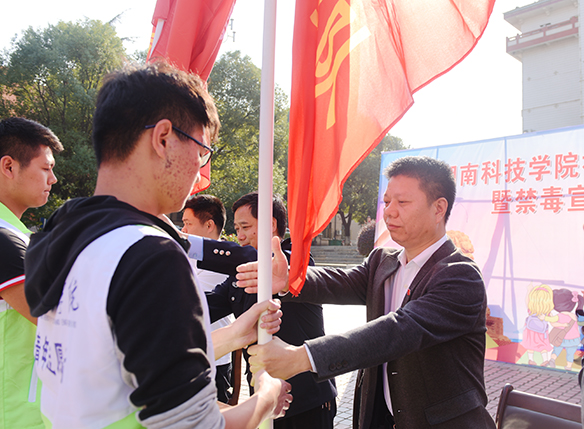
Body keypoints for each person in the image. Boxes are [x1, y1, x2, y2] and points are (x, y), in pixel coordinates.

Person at [24, 63, 291, 429]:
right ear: (163, 138)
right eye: (201, 151)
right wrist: (266, 395)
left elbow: (112, 361)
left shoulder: (69, 234)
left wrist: (235, 334)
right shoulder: (151, 256)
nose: (199, 171)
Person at [237, 156, 496, 429]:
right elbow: (340, 281)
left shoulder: (460, 276)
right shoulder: (383, 261)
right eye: (387, 202)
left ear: (438, 208)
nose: (390, 212)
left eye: (402, 202)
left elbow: (398, 331)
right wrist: (290, 279)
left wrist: (302, 357)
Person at [197, 192, 337, 429]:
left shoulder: (296, 260)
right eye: (237, 228)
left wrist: (189, 245)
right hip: (266, 400)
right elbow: (206, 307)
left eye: (245, 227)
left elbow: (261, 259)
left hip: (306, 398)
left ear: (271, 224)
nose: (240, 236)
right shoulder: (241, 274)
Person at [0, 117, 63, 428]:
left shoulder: (6, 232)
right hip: (10, 415)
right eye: (46, 168)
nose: (53, 179)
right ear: (8, 166)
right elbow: (63, 321)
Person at [183, 194, 235, 403]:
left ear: (209, 225)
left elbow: (186, 299)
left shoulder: (227, 261)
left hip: (214, 360)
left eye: (188, 223)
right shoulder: (187, 256)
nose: (184, 230)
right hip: (183, 356)